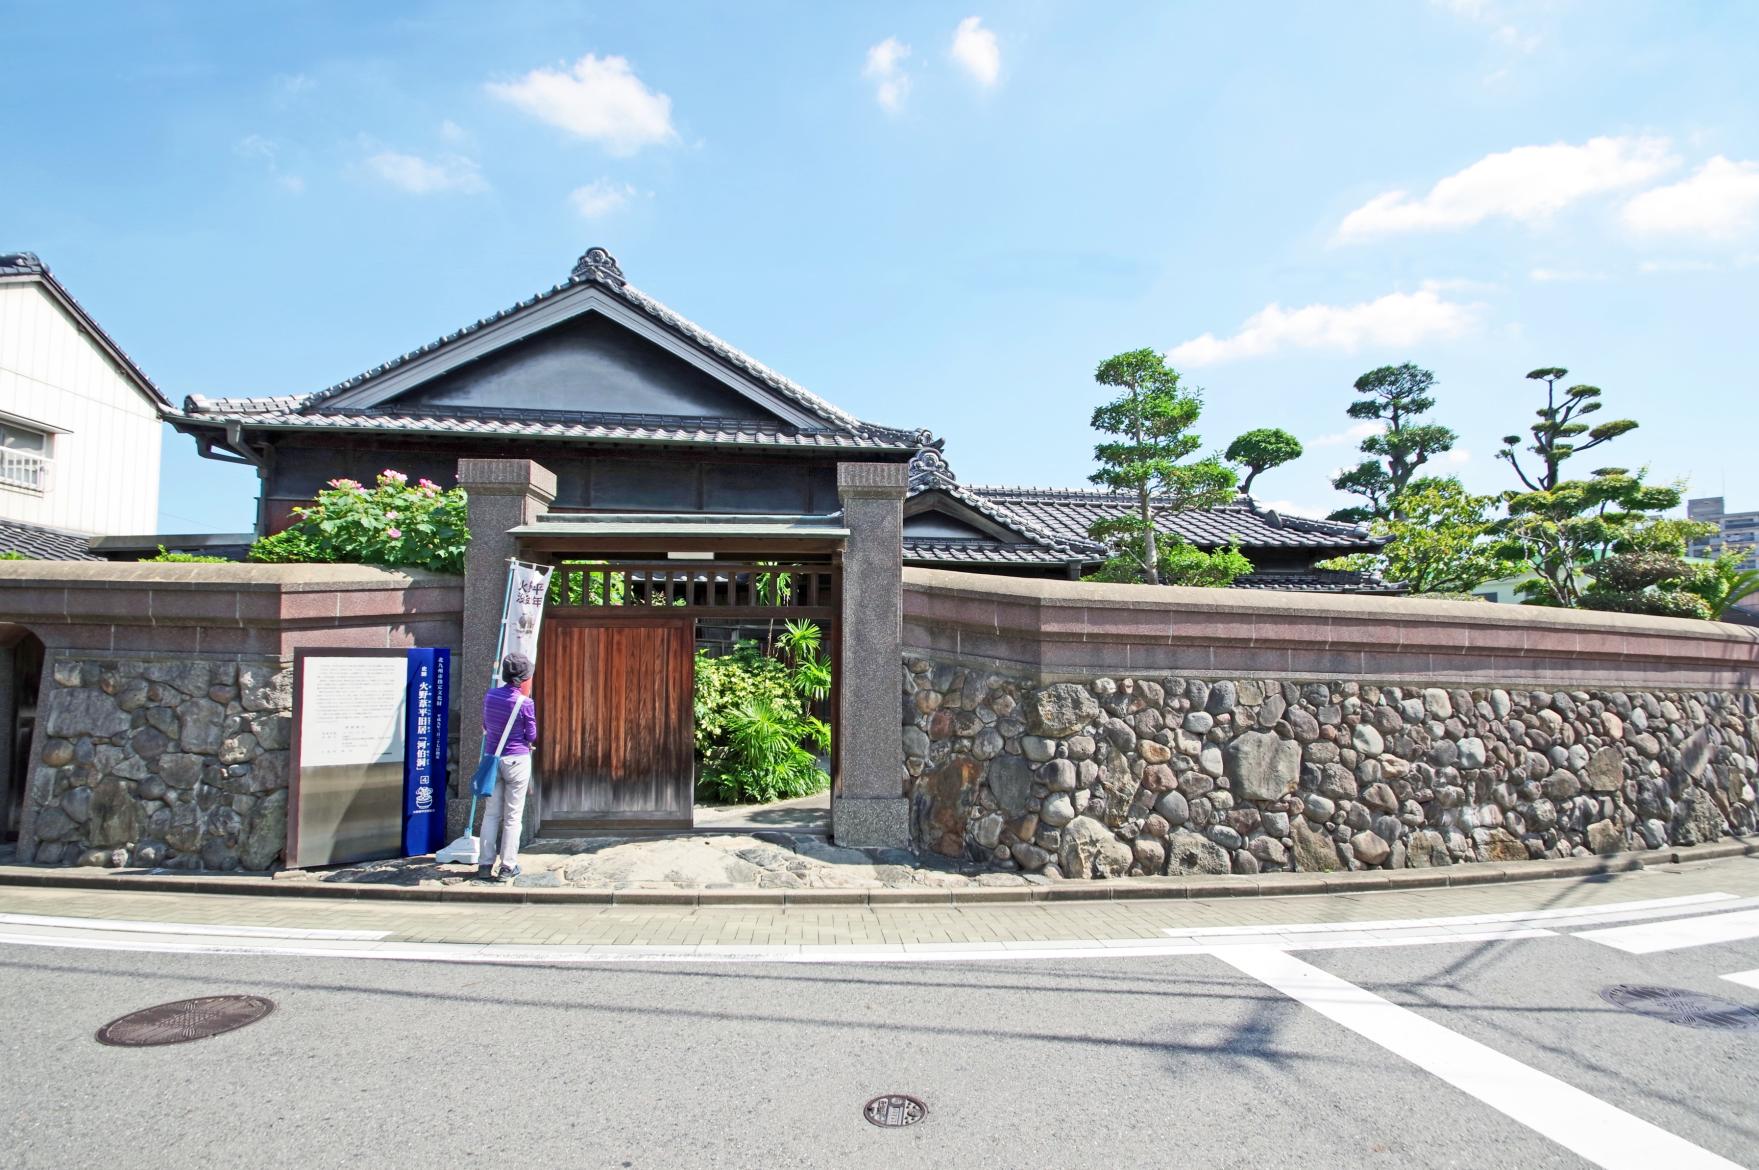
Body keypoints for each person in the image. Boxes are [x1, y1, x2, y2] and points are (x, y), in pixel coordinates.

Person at [477, 651, 538, 882]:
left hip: (493, 759)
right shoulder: (525, 703)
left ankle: (484, 864)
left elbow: (485, 725)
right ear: (523, 678)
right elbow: (531, 735)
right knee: (513, 816)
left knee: (491, 814)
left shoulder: (490, 696)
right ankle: (507, 866)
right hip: (517, 760)